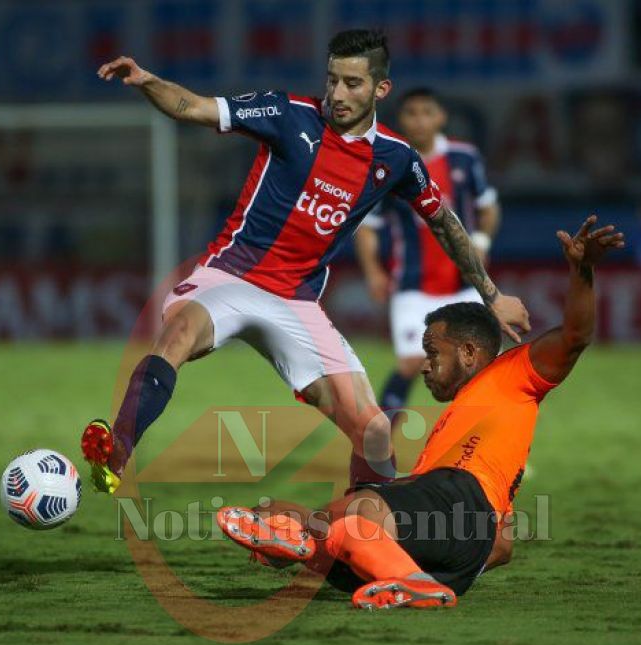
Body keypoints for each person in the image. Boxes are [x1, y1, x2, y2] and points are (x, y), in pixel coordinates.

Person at [79, 29, 530, 494]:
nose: (337, 94)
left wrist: (492, 296)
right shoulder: (285, 112)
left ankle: (373, 536)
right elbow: (192, 106)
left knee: (373, 432)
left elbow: (444, 221)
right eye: (332, 80)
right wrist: (149, 80)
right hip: (230, 276)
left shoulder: (395, 158)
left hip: (296, 301)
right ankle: (119, 448)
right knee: (177, 335)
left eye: (352, 83)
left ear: (381, 88)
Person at [217, 216, 625, 609]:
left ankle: (306, 540)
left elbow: (574, 336)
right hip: (453, 546)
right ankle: (339, 552)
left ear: (469, 352)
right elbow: (502, 546)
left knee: (352, 514)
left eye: (433, 353)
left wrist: (581, 270)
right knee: (325, 523)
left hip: (460, 501)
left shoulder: (512, 374)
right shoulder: (460, 429)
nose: (425, 364)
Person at [354, 87, 501, 418]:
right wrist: (373, 271)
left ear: (441, 117)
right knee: (410, 363)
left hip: (464, 283)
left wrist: (481, 242)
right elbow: (367, 226)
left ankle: (486, 446)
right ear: (401, 119)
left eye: (426, 112)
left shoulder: (465, 158)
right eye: (411, 113)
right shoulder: (388, 164)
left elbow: (489, 208)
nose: (419, 120)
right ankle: (377, 446)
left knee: (477, 367)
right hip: (412, 283)